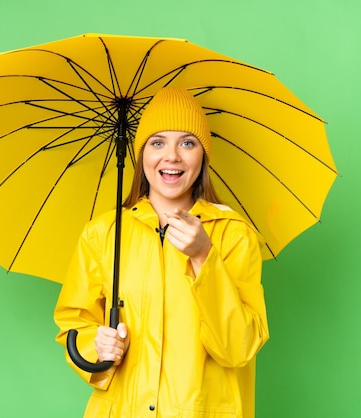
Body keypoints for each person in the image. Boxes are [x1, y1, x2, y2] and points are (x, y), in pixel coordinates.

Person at [54, 87, 269, 418]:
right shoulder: (104, 233)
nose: (172, 156)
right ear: (141, 155)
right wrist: (96, 347)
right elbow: (74, 322)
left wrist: (203, 257)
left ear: (203, 155)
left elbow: (238, 348)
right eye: (158, 142)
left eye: (187, 142)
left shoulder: (233, 234)